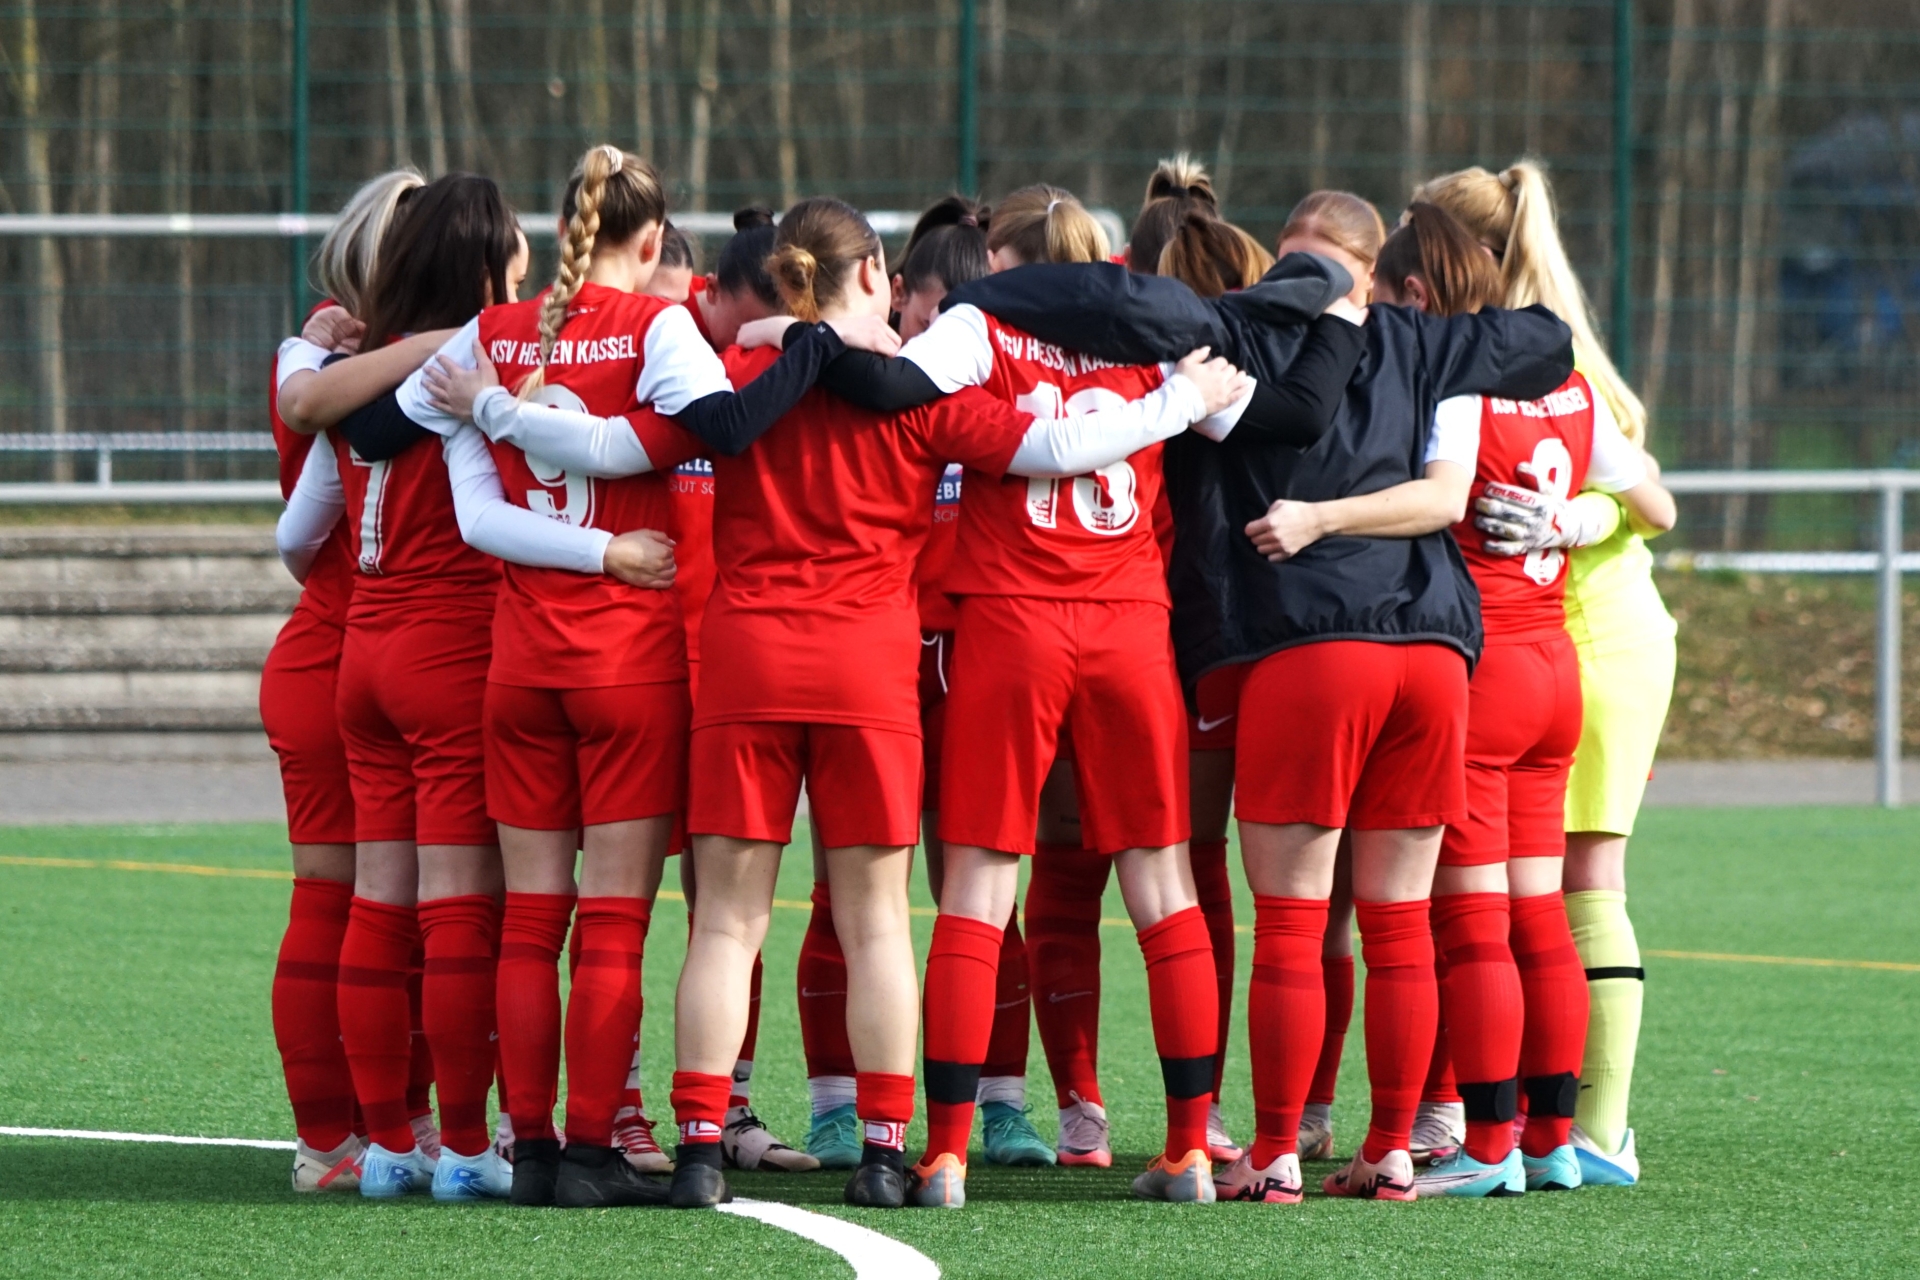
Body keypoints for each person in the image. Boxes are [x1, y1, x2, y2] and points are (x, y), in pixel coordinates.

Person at [947, 208, 1575, 1203]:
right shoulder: (1422, 342)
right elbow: (1548, 343)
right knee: (1400, 924)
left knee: (1289, 920)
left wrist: (978, 294)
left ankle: (1274, 1149)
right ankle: (1393, 1148)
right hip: (1434, 650)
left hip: (1308, 643)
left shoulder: (1236, 334)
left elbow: (1112, 307)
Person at [1415, 160, 1680, 1188]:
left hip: (1539, 648)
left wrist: (1319, 519)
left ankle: (1503, 1141)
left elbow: (1440, 499)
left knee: (1507, 907)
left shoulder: (1479, 376)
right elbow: (1651, 495)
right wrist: (1575, 512)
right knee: (1545, 906)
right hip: (1561, 659)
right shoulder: (1562, 367)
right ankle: (1558, 1136)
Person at [264, 165, 422, 1195]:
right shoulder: (359, 360)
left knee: (354, 901)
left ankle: (353, 1133)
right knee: (381, 904)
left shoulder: (321, 352)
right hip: (369, 648)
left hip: (331, 641)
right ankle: (357, 1133)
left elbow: (293, 538)